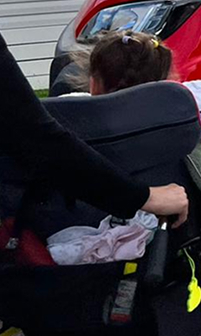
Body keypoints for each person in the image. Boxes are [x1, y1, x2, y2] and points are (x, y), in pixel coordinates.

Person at [0, 30, 188, 224]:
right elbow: (33, 133)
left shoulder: (64, 114)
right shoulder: (170, 126)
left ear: (93, 81)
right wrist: (144, 197)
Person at [79, 32, 201, 218]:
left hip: (104, 210)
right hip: (179, 211)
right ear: (169, 80)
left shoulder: (78, 123)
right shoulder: (184, 120)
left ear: (94, 84)